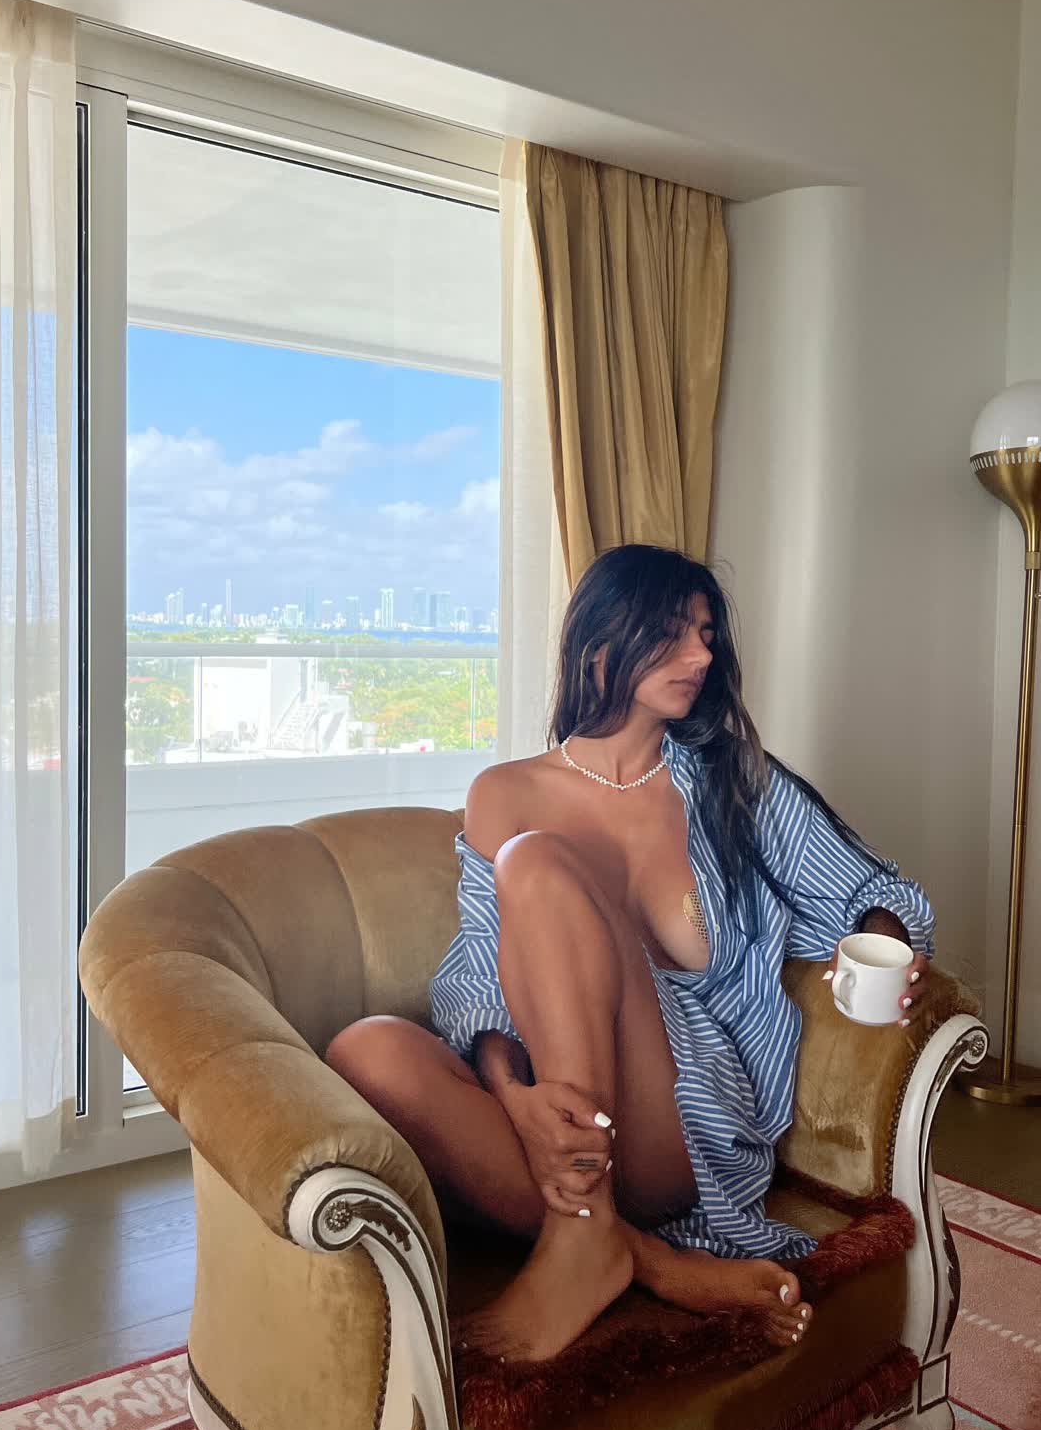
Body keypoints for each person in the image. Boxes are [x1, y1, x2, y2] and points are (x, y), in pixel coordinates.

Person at [324, 542, 936, 1364]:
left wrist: (888, 946)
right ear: (601, 644)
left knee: (535, 862)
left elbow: (873, 892)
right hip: (561, 1114)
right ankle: (636, 1255)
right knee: (366, 1048)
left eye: (706, 634)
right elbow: (477, 975)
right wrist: (514, 1096)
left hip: (681, 1120)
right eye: (674, 632)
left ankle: (585, 1239)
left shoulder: (734, 782)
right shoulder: (505, 793)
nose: (701, 654)